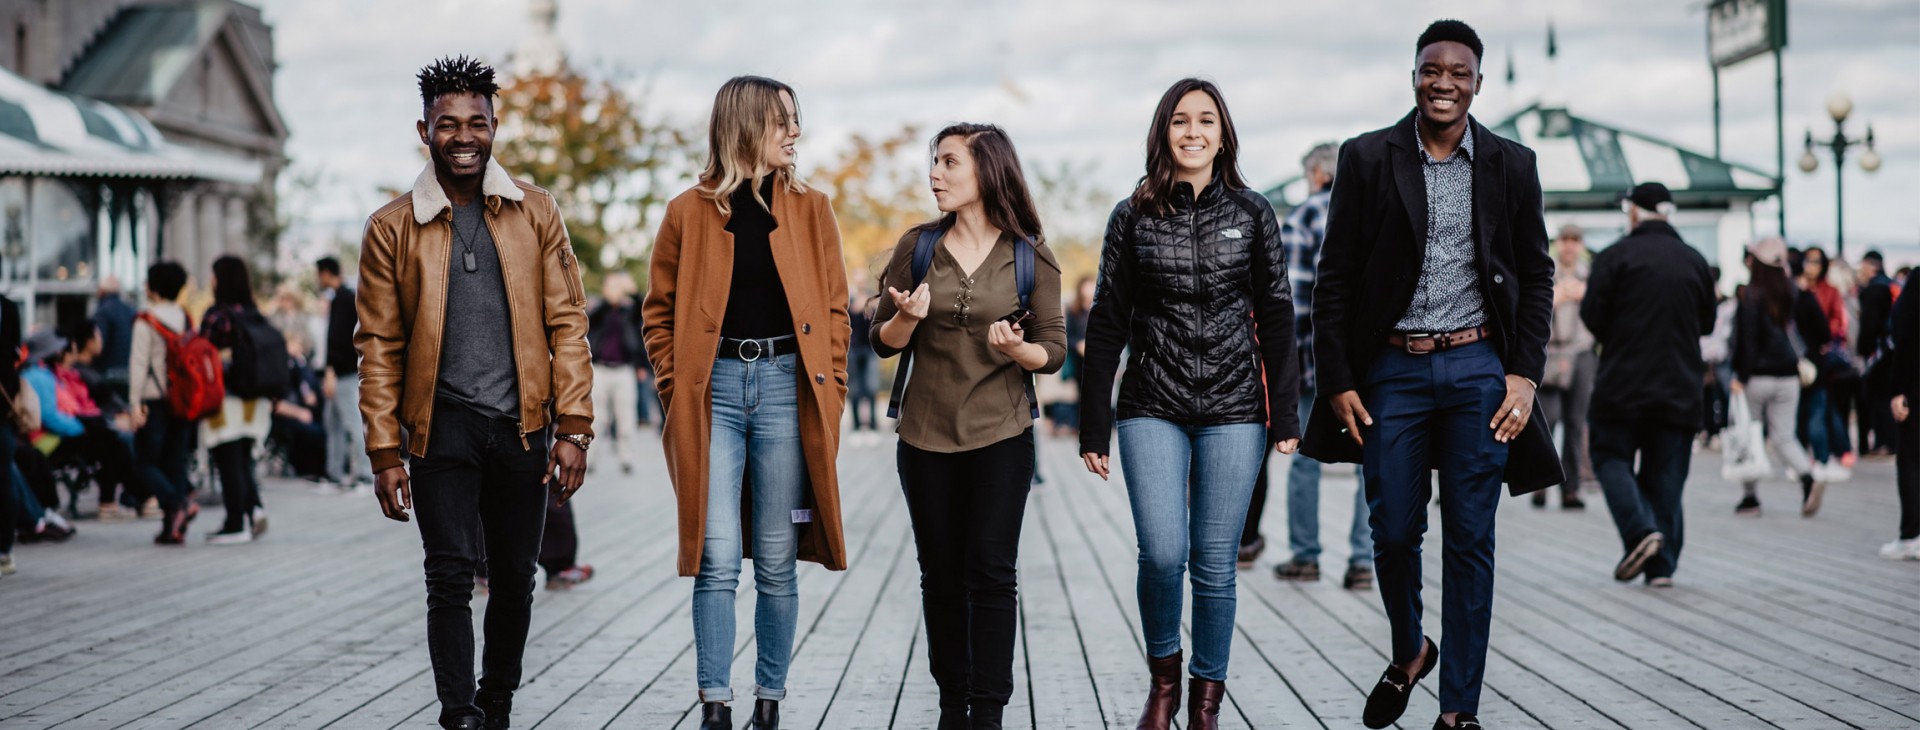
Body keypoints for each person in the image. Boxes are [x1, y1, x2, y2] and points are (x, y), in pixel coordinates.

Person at [1301, 20, 1561, 730]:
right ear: (1414, 74)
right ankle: (1411, 647)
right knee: (1391, 532)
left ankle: (1459, 711)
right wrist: (1339, 378)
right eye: (1431, 69)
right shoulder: (1366, 158)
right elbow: (1335, 279)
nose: (1443, 82)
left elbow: (1538, 275)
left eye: (1459, 72)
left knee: (1472, 537)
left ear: (1478, 81)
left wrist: (1524, 376)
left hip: (1480, 368)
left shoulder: (1511, 162)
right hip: (1392, 369)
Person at [356, 56, 593, 730]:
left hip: (521, 426)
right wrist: (383, 452)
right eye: (448, 123)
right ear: (424, 129)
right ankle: (458, 713)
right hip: (440, 428)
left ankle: (497, 702)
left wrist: (574, 426)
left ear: (495, 126)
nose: (464, 135)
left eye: (476, 122)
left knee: (517, 577)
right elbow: (377, 344)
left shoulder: (536, 211)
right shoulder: (390, 227)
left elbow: (567, 321)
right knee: (450, 575)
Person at [1078, 78, 1299, 730]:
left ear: (1223, 133)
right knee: (1164, 552)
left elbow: (1279, 316)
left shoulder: (1253, 212)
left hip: (1235, 408)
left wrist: (1284, 413)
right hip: (1152, 402)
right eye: (1181, 120)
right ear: (1164, 132)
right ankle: (1164, 680)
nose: (1194, 131)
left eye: (1206, 120)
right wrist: (1095, 424)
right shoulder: (1133, 215)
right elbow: (1106, 322)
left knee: (1214, 564)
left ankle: (1205, 704)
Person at [641, 75, 849, 730]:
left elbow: (837, 309)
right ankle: (715, 704)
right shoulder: (687, 211)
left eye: (796, 119)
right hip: (716, 397)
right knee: (717, 555)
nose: (795, 132)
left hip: (789, 391)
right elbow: (659, 312)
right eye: (782, 120)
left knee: (778, 556)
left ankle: (769, 700)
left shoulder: (813, 208)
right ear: (744, 125)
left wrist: (832, 387)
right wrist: (678, 388)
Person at [871, 123, 1064, 730]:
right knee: (941, 575)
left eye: (949, 163)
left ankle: (988, 711)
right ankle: (952, 704)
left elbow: (1053, 349)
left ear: (987, 171)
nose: (935, 173)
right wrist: (906, 318)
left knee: (991, 570)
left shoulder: (1030, 254)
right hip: (924, 436)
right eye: (935, 162)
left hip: (1001, 434)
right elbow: (880, 341)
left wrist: (1019, 350)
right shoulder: (919, 246)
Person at [1581, 183, 1716, 587]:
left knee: (1609, 457)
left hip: (1622, 383)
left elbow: (1593, 316)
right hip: (1680, 386)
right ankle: (1661, 567)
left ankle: (1640, 532)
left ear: (1634, 212)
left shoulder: (1614, 257)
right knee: (1666, 474)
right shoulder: (1695, 261)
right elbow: (1707, 323)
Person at [1267, 141, 1375, 590]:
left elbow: (1291, 301)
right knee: (1372, 461)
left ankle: (1306, 555)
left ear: (1314, 174)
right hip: (1373, 362)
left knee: (1307, 459)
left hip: (1316, 365)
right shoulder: (1373, 211)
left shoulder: (1306, 215)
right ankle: (1364, 561)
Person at [1731, 238, 1829, 517]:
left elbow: (1746, 341)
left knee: (1749, 435)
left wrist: (1740, 375)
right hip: (1789, 376)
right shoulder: (1796, 293)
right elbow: (1821, 332)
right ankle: (1807, 477)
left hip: (1757, 377)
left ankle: (1750, 498)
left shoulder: (1750, 295)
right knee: (1784, 435)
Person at [198, 255, 278, 544]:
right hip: (255, 399)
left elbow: (202, 355)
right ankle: (253, 509)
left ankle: (235, 524)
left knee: (227, 459)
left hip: (227, 399)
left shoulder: (217, 315)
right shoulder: (254, 312)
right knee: (243, 459)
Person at [128, 260, 200, 544]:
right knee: (175, 462)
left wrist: (134, 403)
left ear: (154, 287)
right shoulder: (185, 318)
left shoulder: (146, 319)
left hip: (153, 399)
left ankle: (177, 503)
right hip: (182, 400)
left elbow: (138, 363)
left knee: (144, 461)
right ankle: (173, 527)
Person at [1534, 223, 1594, 509]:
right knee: (1548, 420)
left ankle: (1571, 488)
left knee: (1575, 423)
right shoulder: (1545, 269)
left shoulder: (1590, 275)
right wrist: (1556, 297)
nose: (1570, 246)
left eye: (1575, 240)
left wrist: (1584, 294)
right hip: (1550, 353)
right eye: (1566, 240)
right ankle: (1541, 482)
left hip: (1581, 352)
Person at [1797, 246, 1854, 480]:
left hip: (1819, 357)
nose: (1811, 266)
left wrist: (1825, 340)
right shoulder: (1796, 289)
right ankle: (1818, 456)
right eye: (1808, 260)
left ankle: (1822, 456)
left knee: (1820, 407)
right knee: (1814, 408)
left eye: (1816, 261)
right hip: (1801, 356)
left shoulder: (1828, 291)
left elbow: (1836, 323)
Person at [317, 257, 371, 490]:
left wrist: (330, 371)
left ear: (327, 273)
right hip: (344, 370)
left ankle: (364, 474)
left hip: (344, 372)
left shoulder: (343, 299)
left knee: (350, 422)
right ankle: (335, 472)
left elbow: (337, 339)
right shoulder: (347, 297)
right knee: (335, 422)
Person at [586, 271, 645, 473]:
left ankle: (626, 459)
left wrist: (631, 290)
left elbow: (642, 308)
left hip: (624, 370)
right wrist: (607, 299)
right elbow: (589, 319)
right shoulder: (601, 309)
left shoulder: (628, 310)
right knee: (597, 418)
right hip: (600, 369)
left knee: (626, 417)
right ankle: (590, 459)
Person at [1882, 266, 1918, 559]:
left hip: (1915, 388)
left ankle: (1911, 534)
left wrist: (1898, 390)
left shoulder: (1916, 285)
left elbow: (1903, 341)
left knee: (1910, 460)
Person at [1856, 250, 1896, 456]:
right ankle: (1889, 441)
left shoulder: (1875, 290)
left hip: (1879, 350)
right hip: (1893, 347)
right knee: (1887, 395)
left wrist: (1863, 349)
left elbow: (1869, 325)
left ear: (1871, 266)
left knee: (1878, 396)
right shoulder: (1891, 285)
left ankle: (1885, 442)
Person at [846, 270, 881, 432]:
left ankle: (873, 423)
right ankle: (856, 424)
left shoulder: (872, 300)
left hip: (870, 348)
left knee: (871, 386)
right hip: (853, 348)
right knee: (854, 388)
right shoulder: (849, 299)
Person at [93, 276, 137, 401]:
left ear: (101, 291)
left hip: (109, 374)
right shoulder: (131, 310)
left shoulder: (103, 312)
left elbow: (98, 345)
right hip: (129, 373)